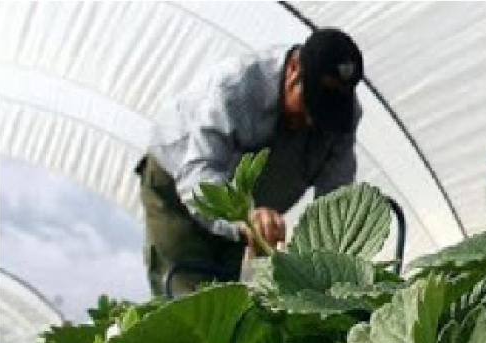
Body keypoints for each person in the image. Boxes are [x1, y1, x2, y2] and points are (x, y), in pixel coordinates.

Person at [137, 28, 364, 297]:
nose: (312, 121)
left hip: (249, 213)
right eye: (309, 107)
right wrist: (245, 217)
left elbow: (336, 198)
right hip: (180, 189)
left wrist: (328, 265)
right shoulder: (235, 87)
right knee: (190, 302)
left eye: (325, 115)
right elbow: (198, 171)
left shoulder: (343, 118)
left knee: (242, 302)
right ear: (294, 70)